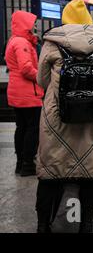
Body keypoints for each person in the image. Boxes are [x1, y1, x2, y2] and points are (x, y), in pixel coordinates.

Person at [35, 0, 93, 233]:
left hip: (58, 116)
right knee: (91, 171)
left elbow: (42, 80)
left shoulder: (52, 42)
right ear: (87, 20)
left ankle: (43, 225)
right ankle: (87, 224)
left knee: (51, 172)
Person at [5, 10, 44, 176]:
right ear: (24, 24)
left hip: (18, 92)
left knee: (21, 127)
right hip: (28, 94)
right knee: (32, 129)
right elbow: (26, 68)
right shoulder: (22, 43)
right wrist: (43, 78)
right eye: (32, 23)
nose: (34, 26)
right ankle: (28, 164)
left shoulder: (15, 40)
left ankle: (20, 163)